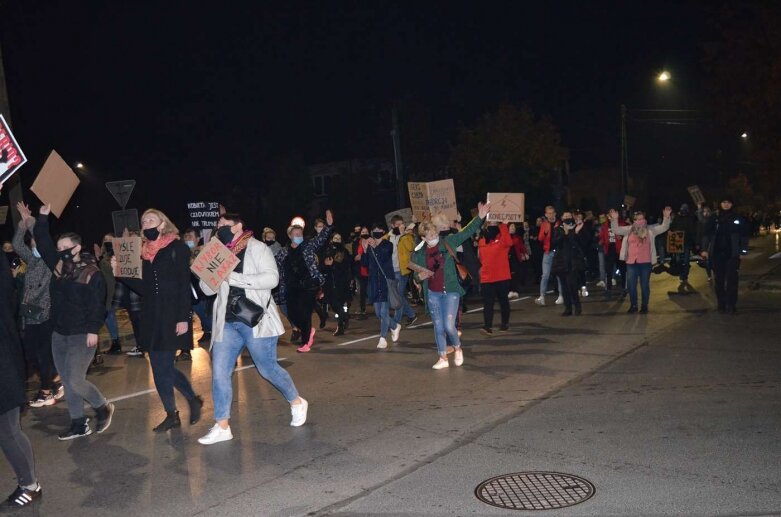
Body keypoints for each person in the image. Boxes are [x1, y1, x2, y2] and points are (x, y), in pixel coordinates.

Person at [198, 213, 308, 445]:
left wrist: (234, 278)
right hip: (226, 322)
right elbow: (206, 290)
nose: (219, 230)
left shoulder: (258, 248)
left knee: (267, 368)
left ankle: (296, 401)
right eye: (218, 226)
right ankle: (222, 425)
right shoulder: (217, 251)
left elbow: (271, 279)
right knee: (219, 371)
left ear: (237, 226)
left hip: (254, 319)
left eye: (224, 225)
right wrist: (212, 274)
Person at [114, 209, 202, 432]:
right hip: (151, 315)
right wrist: (120, 272)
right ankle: (175, 412)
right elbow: (144, 288)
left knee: (163, 366)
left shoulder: (177, 248)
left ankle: (187, 402)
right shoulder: (144, 253)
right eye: (144, 221)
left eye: (150, 219)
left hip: (172, 314)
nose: (146, 223)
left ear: (163, 224)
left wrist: (184, 317)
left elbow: (183, 284)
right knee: (158, 367)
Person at [33, 204, 114, 440]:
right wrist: (42, 217)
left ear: (77, 248)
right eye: (59, 248)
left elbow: (98, 304)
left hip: (82, 334)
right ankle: (79, 423)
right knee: (67, 382)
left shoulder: (91, 272)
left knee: (76, 380)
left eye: (65, 248)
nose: (59, 252)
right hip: (59, 333)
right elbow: (43, 243)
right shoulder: (59, 269)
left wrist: (93, 330)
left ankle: (102, 406)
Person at [411, 202, 490, 370]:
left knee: (448, 326)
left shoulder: (448, 241)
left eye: (434, 234)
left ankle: (458, 347)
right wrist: (419, 277)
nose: (433, 237)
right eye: (430, 236)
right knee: (438, 326)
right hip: (433, 293)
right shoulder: (419, 253)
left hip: (451, 291)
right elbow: (415, 276)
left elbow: (467, 231)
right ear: (423, 238)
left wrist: (480, 217)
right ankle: (442, 357)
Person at [0, 239, 41, 507]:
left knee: (8, 431)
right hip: (7, 361)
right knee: (8, 430)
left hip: (4, 365)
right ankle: (30, 483)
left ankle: (30, 485)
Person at [13, 203, 62, 407]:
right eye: (32, 241)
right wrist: (23, 225)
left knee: (42, 354)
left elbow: (41, 236)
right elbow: (17, 244)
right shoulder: (32, 260)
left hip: (45, 314)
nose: (33, 243)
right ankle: (55, 379)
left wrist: (32, 222)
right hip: (29, 314)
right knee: (32, 353)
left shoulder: (52, 260)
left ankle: (46, 391)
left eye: (37, 241)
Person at [275, 210, 334, 352]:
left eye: (300, 234)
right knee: (293, 314)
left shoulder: (308, 246)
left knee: (305, 313)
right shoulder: (283, 252)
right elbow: (275, 267)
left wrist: (329, 226)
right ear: (290, 236)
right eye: (296, 234)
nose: (299, 236)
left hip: (307, 286)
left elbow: (321, 238)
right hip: (290, 287)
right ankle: (307, 330)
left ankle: (306, 342)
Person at [609, 206, 672, 313]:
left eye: (642, 218)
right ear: (634, 220)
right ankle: (633, 305)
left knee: (644, 285)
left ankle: (644, 305)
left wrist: (666, 217)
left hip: (645, 262)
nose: (640, 221)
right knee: (632, 285)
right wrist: (614, 219)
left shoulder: (650, 230)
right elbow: (616, 229)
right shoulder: (629, 230)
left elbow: (664, 227)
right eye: (638, 219)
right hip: (631, 262)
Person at [701, 196, 749, 313]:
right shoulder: (715, 218)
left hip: (732, 254)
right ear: (720, 204)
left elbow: (744, 235)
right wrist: (704, 249)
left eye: (728, 202)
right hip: (717, 253)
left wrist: (743, 251)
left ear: (732, 204)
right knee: (719, 281)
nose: (726, 204)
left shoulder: (737, 218)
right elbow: (707, 234)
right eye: (724, 202)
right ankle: (721, 304)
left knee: (732, 280)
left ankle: (731, 304)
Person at [362, 223, 401, 349]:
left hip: (385, 281)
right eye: (374, 230)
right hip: (373, 281)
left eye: (379, 229)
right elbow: (365, 263)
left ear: (383, 231)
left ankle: (383, 337)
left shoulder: (387, 245)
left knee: (384, 312)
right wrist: (364, 250)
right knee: (378, 313)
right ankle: (394, 326)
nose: (376, 231)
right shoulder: (370, 246)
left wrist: (374, 246)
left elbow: (384, 257)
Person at [478, 221, 513, 335]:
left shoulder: (502, 241)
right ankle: (487, 326)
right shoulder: (482, 242)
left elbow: (509, 241)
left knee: (503, 301)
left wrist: (502, 224)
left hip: (502, 277)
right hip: (487, 278)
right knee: (488, 303)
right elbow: (481, 258)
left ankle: (505, 323)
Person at [551, 211, 586, 316]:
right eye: (565, 216)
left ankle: (577, 306)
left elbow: (581, 242)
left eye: (569, 216)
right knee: (564, 286)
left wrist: (575, 232)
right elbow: (555, 243)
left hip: (572, 261)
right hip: (561, 261)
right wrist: (565, 233)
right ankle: (568, 308)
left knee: (572, 285)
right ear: (561, 218)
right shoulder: (557, 230)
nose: (567, 218)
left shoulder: (576, 229)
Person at [387, 215, 418, 328]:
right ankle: (411, 315)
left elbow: (411, 247)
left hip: (402, 270)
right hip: (391, 270)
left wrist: (403, 234)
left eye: (402, 224)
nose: (401, 226)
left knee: (398, 295)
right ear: (392, 225)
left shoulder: (406, 236)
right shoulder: (388, 237)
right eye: (398, 224)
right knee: (397, 296)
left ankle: (396, 322)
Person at [96, 234, 122, 355]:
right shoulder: (103, 255)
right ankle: (115, 342)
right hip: (103, 289)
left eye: (110, 240)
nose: (108, 242)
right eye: (105, 240)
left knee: (109, 316)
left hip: (112, 289)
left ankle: (116, 343)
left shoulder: (116, 255)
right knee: (108, 317)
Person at [322, 234, 352, 336]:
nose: (337, 240)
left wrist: (333, 264)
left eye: (339, 239)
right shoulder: (327, 250)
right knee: (332, 303)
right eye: (335, 238)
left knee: (338, 303)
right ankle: (344, 317)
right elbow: (324, 264)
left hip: (341, 281)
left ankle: (340, 325)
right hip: (329, 281)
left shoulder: (344, 252)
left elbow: (344, 267)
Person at [535, 206, 564, 306]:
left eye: (552, 213)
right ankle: (542, 296)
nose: (551, 215)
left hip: (558, 253)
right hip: (548, 252)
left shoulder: (559, 223)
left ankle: (561, 295)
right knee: (545, 275)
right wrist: (545, 232)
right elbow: (540, 238)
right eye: (549, 213)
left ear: (555, 213)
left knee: (559, 275)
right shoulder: (544, 224)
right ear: (546, 214)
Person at [598, 209, 627, 299]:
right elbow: (601, 236)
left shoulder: (622, 224)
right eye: (610, 213)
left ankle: (624, 288)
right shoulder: (605, 225)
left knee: (623, 270)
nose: (611, 215)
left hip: (619, 249)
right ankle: (608, 289)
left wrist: (621, 237)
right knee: (609, 271)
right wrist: (601, 241)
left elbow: (627, 235)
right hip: (609, 249)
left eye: (613, 213)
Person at [669, 204, 698, 291]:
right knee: (678, 260)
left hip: (687, 242)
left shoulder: (690, 218)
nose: (683, 210)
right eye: (682, 209)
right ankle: (681, 274)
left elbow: (693, 230)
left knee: (686, 260)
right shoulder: (677, 218)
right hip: (678, 241)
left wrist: (695, 243)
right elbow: (672, 227)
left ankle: (684, 276)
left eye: (685, 209)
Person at [352, 227, 370, 319]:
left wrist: (362, 256)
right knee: (362, 290)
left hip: (370, 269)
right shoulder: (356, 243)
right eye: (363, 232)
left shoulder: (371, 241)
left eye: (366, 231)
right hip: (360, 269)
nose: (365, 233)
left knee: (369, 290)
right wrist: (356, 257)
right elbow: (354, 256)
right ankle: (363, 309)